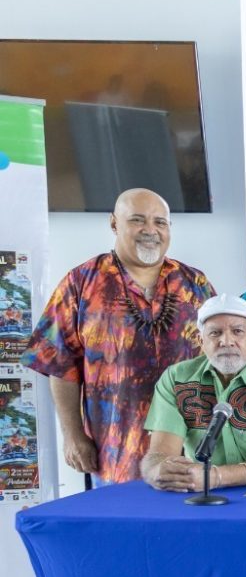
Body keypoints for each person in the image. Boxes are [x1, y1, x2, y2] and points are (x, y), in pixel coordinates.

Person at [22, 188, 213, 484]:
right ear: (114, 224)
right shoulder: (82, 283)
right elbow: (59, 364)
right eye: (138, 220)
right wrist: (72, 435)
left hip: (188, 453)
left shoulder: (195, 283)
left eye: (160, 222)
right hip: (114, 454)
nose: (150, 230)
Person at [141, 295, 246, 490]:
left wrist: (217, 477)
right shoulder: (175, 379)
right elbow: (160, 454)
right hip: (200, 491)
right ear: (201, 341)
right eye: (215, 333)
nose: (226, 341)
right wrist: (157, 470)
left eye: (237, 331)